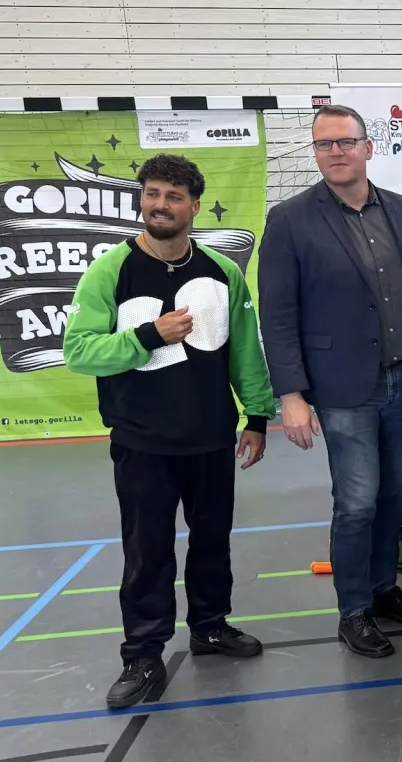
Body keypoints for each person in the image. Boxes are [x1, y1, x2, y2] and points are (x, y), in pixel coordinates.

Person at [63, 154, 277, 708]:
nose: (161, 204)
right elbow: (79, 351)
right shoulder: (110, 270)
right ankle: (142, 654)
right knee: (147, 550)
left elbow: (244, 352)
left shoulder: (223, 272)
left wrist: (256, 416)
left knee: (212, 542)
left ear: (194, 206)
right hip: (142, 440)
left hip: (210, 437)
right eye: (153, 193)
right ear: (143, 198)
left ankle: (209, 626)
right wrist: (148, 335)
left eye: (174, 196)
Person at [258, 104, 402, 659]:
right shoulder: (288, 220)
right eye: (324, 144)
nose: (336, 152)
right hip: (340, 387)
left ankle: (384, 589)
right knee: (356, 501)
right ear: (316, 153)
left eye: (346, 141)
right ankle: (353, 609)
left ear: (368, 147)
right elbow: (279, 314)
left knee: (392, 494)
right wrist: (290, 395)